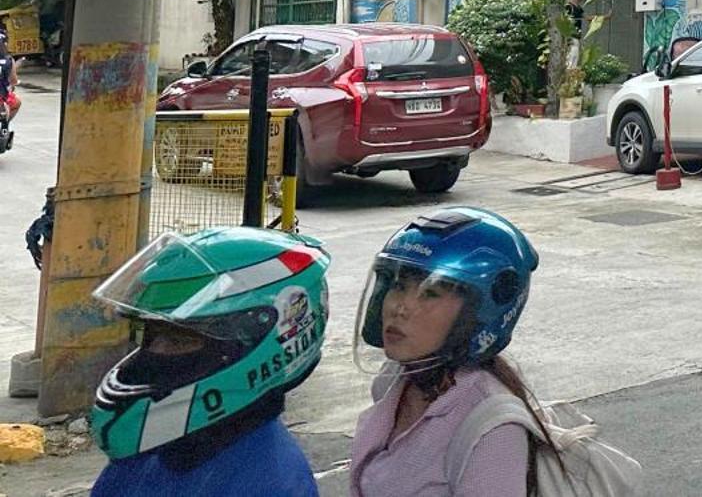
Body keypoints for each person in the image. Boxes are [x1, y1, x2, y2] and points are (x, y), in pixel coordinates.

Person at [89, 226, 330, 497]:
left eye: (178, 340)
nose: (156, 353)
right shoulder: (160, 451)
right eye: (151, 337)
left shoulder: (268, 484)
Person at [350, 206, 550, 497]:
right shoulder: (395, 381)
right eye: (398, 286)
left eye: (429, 292)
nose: (399, 307)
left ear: (476, 313)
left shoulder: (493, 430)